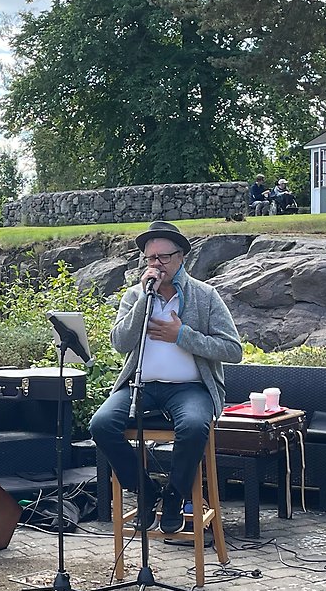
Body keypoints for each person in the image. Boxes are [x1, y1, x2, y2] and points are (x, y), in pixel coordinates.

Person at [89, 221, 242, 534]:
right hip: (140, 386)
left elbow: (232, 349)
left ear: (181, 256)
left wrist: (182, 335)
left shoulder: (205, 296)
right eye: (149, 259)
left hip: (191, 388)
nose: (155, 265)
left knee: (195, 426)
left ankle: (174, 495)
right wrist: (145, 301)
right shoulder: (135, 296)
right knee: (101, 424)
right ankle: (144, 492)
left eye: (162, 258)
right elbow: (119, 343)